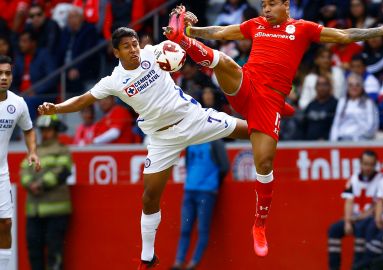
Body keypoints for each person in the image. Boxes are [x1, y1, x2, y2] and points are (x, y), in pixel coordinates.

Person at [165, 2, 383, 256]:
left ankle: (259, 224)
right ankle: (182, 39)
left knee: (264, 163)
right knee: (224, 62)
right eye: (263, 5)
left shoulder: (302, 28)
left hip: (270, 100)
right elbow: (222, 32)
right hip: (246, 84)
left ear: (286, 5)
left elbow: (344, 35)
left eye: (272, 4)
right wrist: (194, 31)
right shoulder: (256, 25)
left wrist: (381, 30)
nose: (267, 9)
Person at [37, 27, 249, 269]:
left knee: (252, 131)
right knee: (149, 197)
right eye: (126, 46)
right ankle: (148, 257)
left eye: (135, 43)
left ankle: (270, 118)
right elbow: (83, 100)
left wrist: (179, 28)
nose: (133, 49)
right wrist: (56, 108)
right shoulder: (113, 81)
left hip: (192, 119)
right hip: (161, 139)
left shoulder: (153, 53)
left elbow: (178, 43)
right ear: (116, 52)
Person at [0, 55, 40, 270]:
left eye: (7, 73)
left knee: (6, 224)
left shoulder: (18, 103)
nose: (3, 77)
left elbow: (28, 130)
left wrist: (32, 151)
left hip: (1, 175)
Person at [20, 114, 72, 270]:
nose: (44, 133)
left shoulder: (62, 150)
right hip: (34, 211)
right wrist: (29, 183)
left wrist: (39, 184)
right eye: (42, 130)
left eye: (48, 129)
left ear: (56, 130)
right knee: (34, 251)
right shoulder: (33, 151)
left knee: (54, 251)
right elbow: (23, 172)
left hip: (56, 211)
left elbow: (62, 171)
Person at [171, 139, 230, 270]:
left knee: (200, 230)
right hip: (191, 190)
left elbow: (225, 166)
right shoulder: (192, 140)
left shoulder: (215, 142)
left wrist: (213, 182)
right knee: (186, 229)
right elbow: (188, 163)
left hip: (206, 192)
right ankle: (179, 263)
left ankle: (192, 263)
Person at [328, 150, 382, 270]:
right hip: (354, 218)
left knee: (360, 228)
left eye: (371, 164)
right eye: (365, 164)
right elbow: (349, 201)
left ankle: (356, 267)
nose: (368, 167)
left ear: (375, 164)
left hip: (369, 219)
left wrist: (358, 218)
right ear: (360, 163)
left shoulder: (380, 179)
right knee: (334, 230)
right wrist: (347, 221)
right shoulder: (354, 178)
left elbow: (377, 206)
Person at [329, 73, 379, 141]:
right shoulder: (342, 102)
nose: (354, 88)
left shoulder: (369, 103)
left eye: (357, 85)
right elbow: (336, 124)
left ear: (362, 87)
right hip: (342, 140)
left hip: (361, 140)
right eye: (350, 85)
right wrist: (333, 142)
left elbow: (372, 127)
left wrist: (356, 136)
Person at [300, 75, 337, 140]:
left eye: (324, 84)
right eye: (319, 85)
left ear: (330, 87)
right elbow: (303, 126)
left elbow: (336, 126)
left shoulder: (335, 104)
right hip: (308, 145)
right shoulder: (311, 105)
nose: (321, 87)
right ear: (315, 87)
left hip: (327, 145)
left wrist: (325, 138)